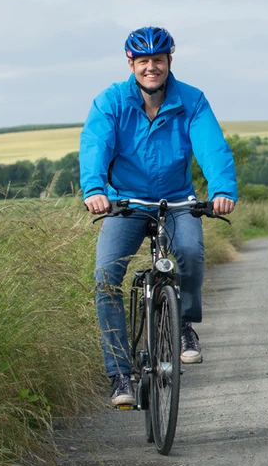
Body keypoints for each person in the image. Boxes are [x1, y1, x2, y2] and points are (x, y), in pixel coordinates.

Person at [80, 26, 237, 407]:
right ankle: (119, 374)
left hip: (177, 200)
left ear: (170, 61)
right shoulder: (111, 102)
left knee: (190, 251)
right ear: (131, 63)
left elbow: (211, 147)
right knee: (105, 276)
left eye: (159, 60)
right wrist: (95, 190)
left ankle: (183, 325)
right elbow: (95, 146)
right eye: (144, 61)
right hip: (125, 202)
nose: (152, 68)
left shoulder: (192, 101)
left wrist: (221, 191)